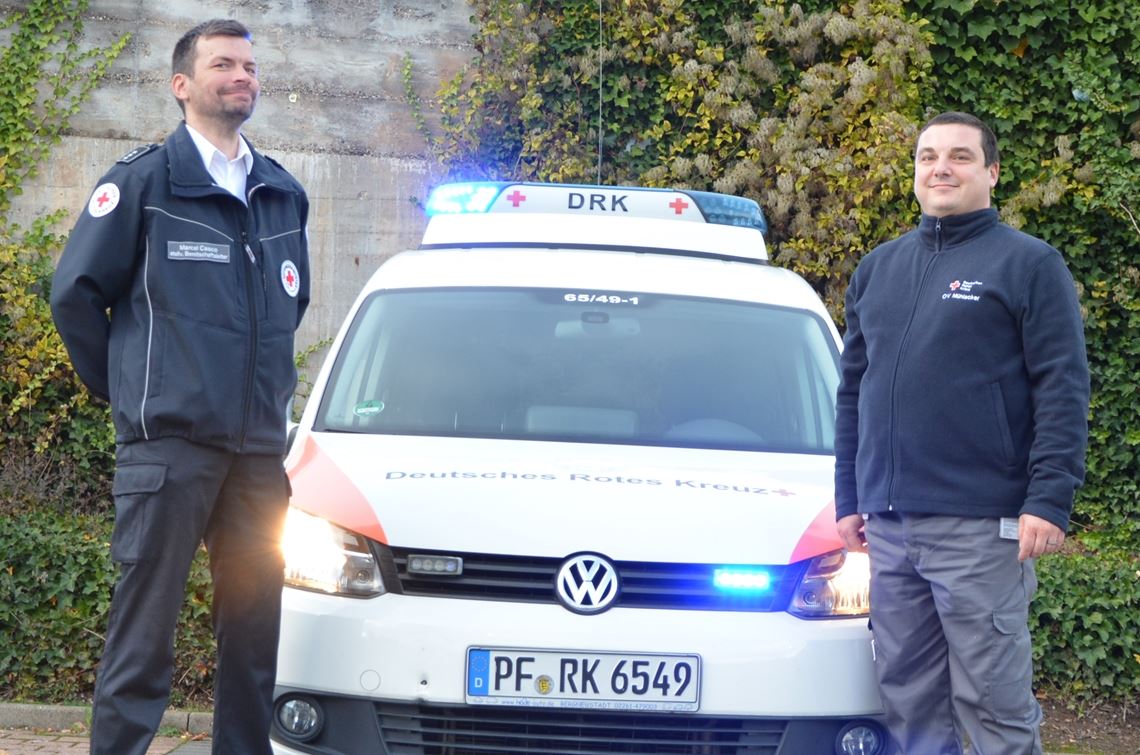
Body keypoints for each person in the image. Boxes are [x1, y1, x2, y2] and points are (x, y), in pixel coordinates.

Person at [50, 19, 309, 755]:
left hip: (259, 458)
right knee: (143, 641)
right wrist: (128, 392)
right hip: (169, 451)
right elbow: (74, 294)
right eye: (223, 64)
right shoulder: (143, 183)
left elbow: (291, 307)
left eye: (250, 66)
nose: (241, 76)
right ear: (183, 85)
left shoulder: (281, 194)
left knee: (256, 640)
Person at [833, 111, 1089, 754]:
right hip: (890, 528)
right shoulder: (877, 269)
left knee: (994, 704)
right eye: (927, 157)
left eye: (959, 156)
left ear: (992, 173)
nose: (940, 167)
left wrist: (1047, 499)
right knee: (908, 699)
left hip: (981, 527)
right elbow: (853, 393)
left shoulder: (1030, 264)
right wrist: (849, 498)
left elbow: (1062, 386)